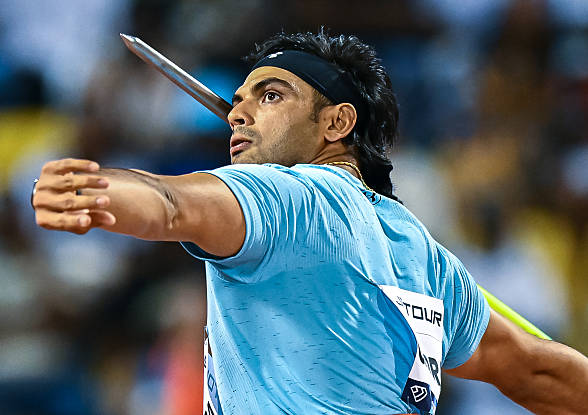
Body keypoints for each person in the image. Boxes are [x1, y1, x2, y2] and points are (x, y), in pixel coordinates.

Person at [32, 30, 588, 415]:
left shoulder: (293, 198)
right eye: (238, 100)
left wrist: (97, 189)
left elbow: (174, 203)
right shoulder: (426, 257)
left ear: (337, 123)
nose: (237, 113)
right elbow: (538, 373)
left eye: (271, 96)